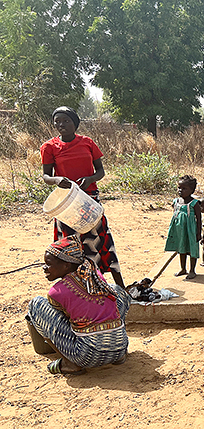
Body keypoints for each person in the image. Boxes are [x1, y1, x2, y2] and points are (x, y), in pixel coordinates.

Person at [41, 106, 125, 289]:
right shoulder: (49, 147)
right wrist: (57, 180)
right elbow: (46, 176)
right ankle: (76, 290)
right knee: (71, 247)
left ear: (75, 123)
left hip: (89, 200)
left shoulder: (87, 142)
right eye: (57, 121)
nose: (61, 124)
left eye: (66, 121)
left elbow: (100, 171)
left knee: (99, 240)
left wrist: (90, 179)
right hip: (66, 203)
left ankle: (116, 286)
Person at [26, 234, 130, 375]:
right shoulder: (95, 275)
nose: (45, 268)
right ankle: (118, 353)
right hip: (120, 348)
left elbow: (64, 318)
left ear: (66, 265)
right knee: (117, 290)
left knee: (36, 305)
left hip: (87, 356)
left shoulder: (57, 292)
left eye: (49, 264)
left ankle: (70, 363)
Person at [164, 175, 202, 279]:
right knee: (181, 249)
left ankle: (192, 270)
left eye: (184, 188)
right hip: (180, 230)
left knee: (192, 249)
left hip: (190, 230)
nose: (180, 190)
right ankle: (183, 268)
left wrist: (199, 233)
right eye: (179, 188)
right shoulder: (176, 201)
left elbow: (199, 219)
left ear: (192, 190)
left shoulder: (194, 204)